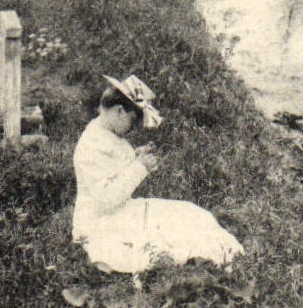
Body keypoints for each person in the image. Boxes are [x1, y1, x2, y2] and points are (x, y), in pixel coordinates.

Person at [72, 75, 243, 274]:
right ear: (119, 111)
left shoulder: (105, 131)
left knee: (189, 213)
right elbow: (106, 199)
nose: (133, 128)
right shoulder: (91, 146)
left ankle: (223, 251)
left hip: (121, 211)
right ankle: (216, 258)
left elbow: (112, 166)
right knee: (170, 237)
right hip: (101, 222)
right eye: (133, 120)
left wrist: (136, 157)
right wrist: (139, 167)